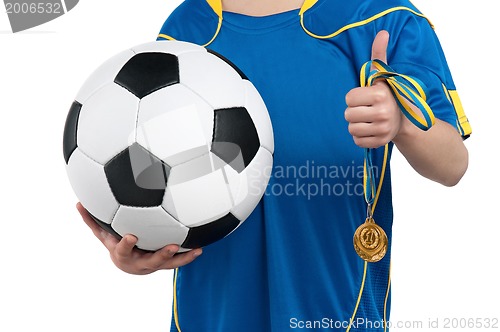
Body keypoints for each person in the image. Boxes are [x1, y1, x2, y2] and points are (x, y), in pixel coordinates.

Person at [78, 0, 471, 330]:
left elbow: (452, 165)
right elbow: (159, 170)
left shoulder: (381, 18)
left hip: (336, 308)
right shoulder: (189, 27)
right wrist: (139, 239)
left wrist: (402, 123)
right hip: (211, 311)